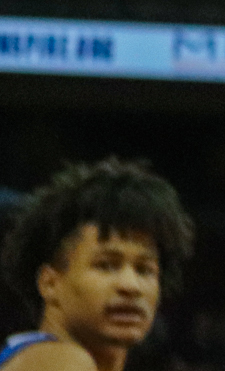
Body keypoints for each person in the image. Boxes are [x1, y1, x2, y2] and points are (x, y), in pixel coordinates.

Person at [0, 158, 195, 371]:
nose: (131, 286)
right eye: (106, 265)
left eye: (144, 270)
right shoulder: (60, 360)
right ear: (50, 283)